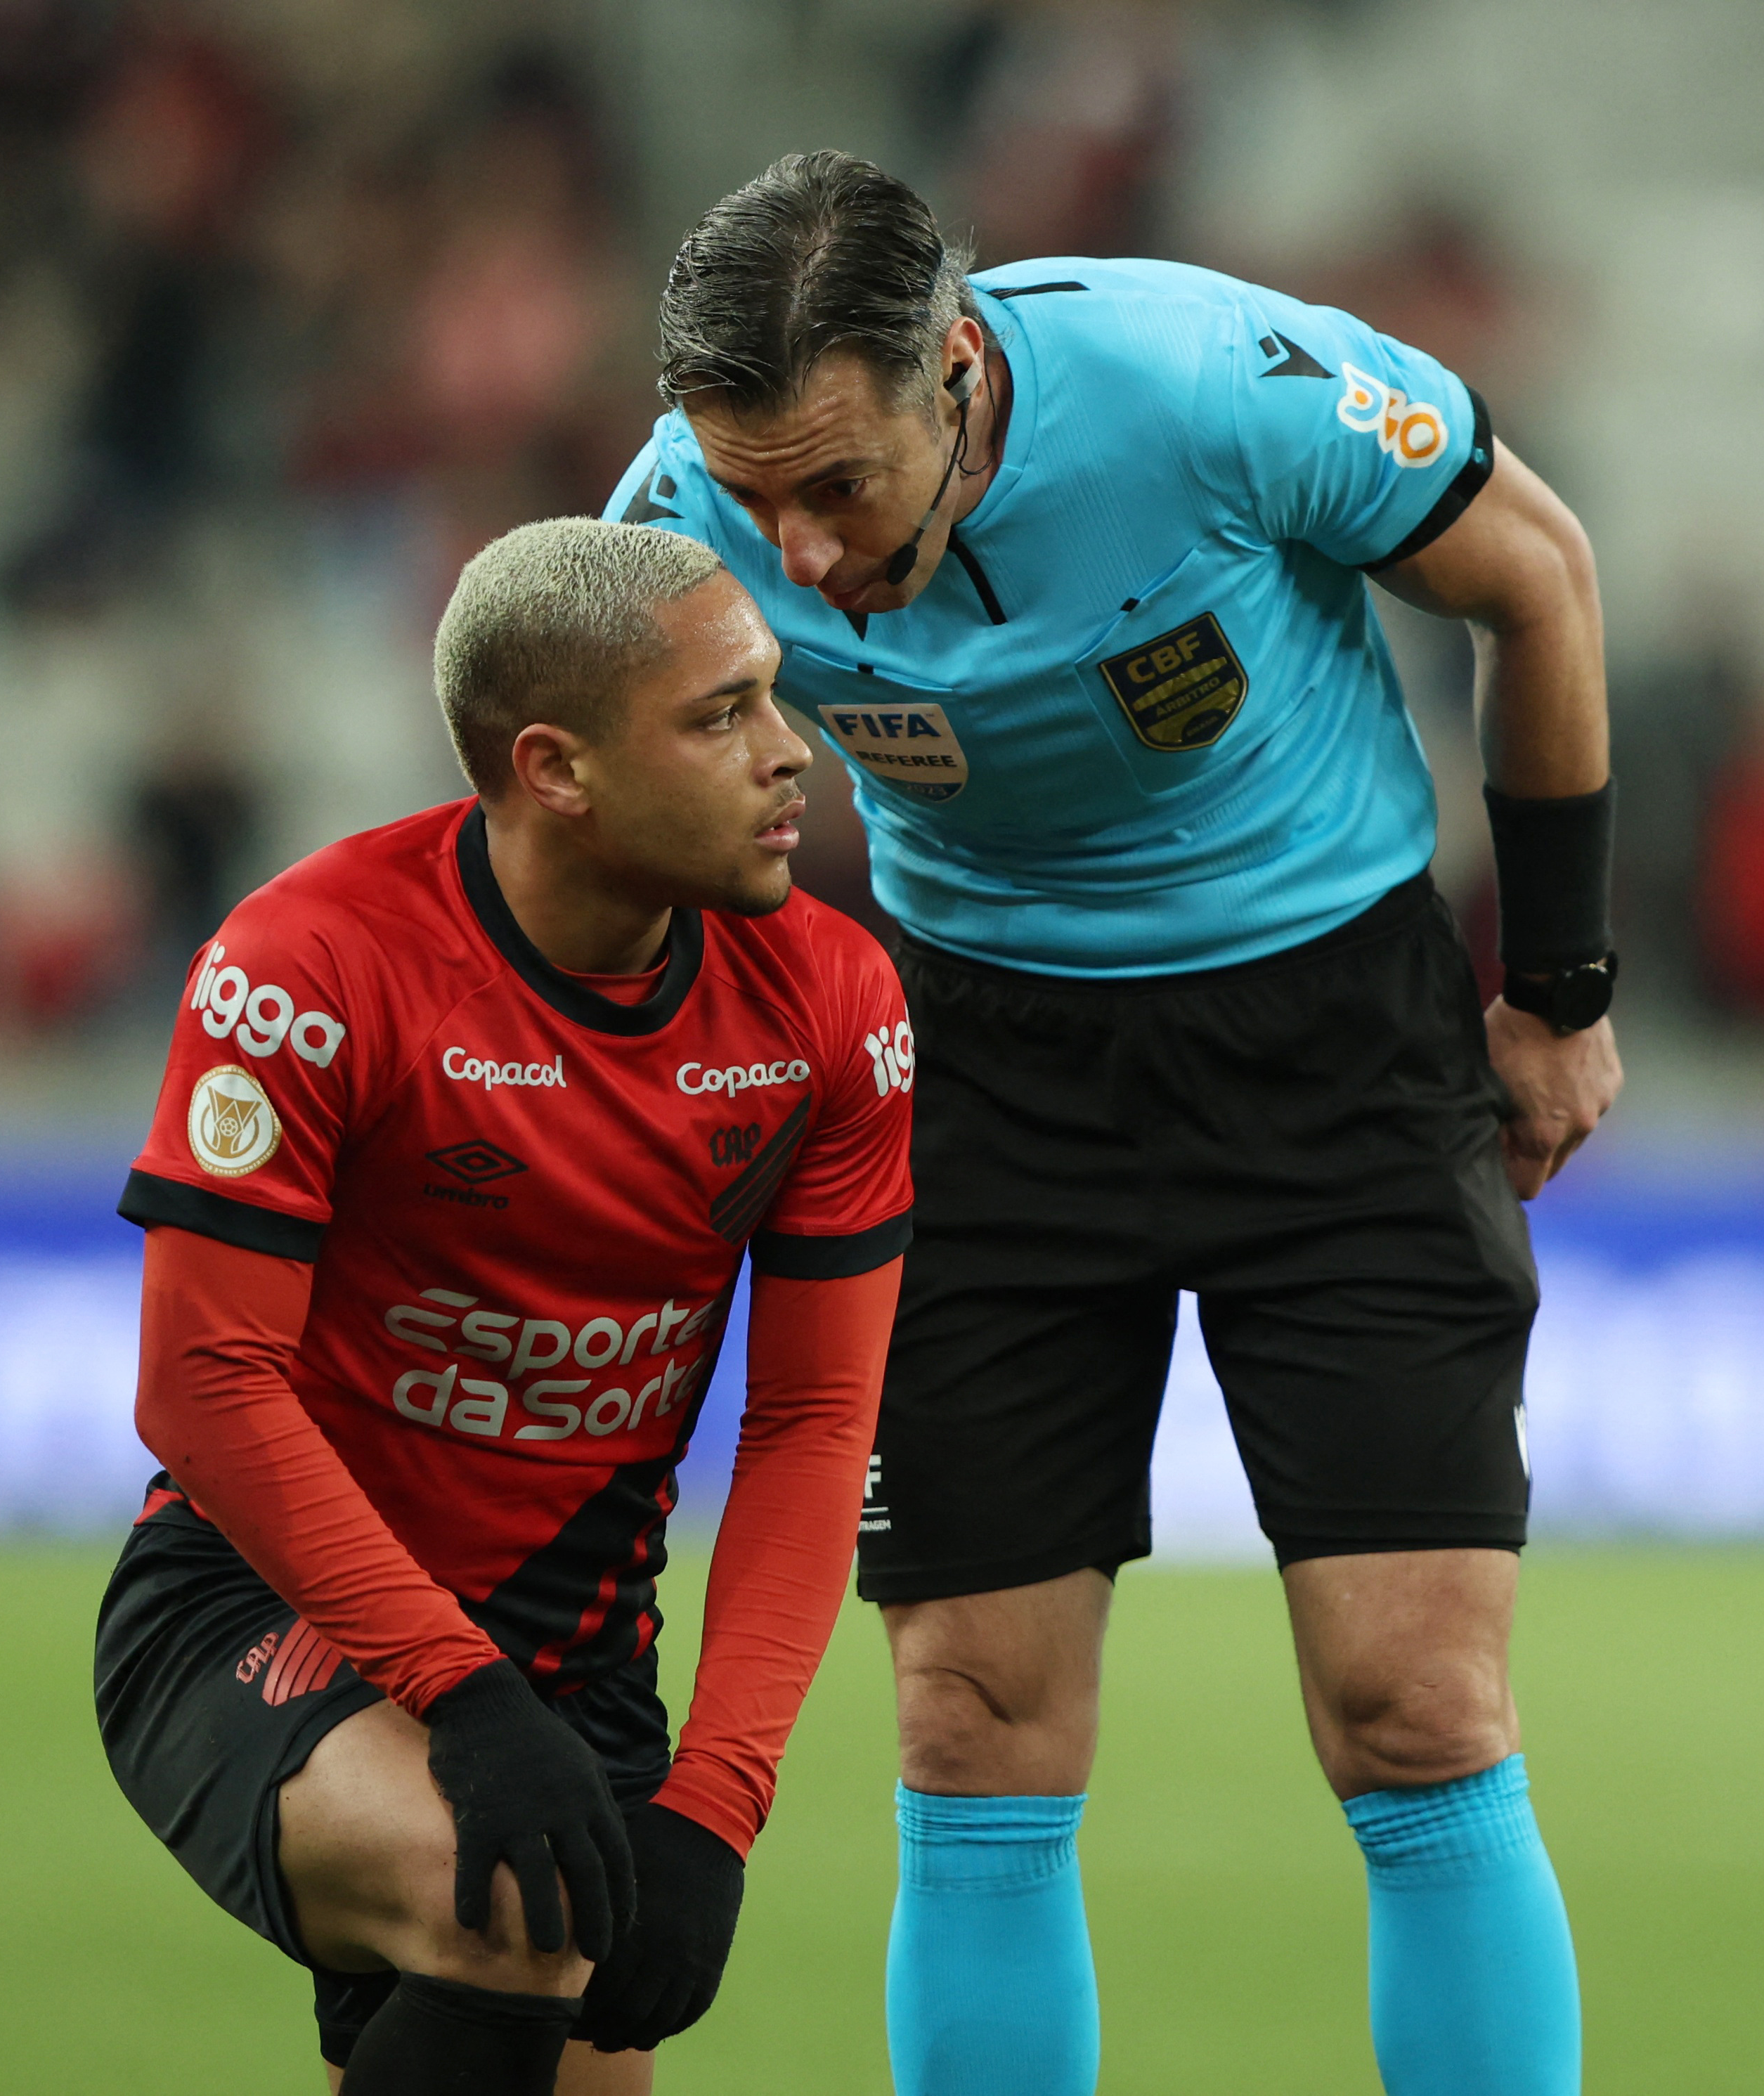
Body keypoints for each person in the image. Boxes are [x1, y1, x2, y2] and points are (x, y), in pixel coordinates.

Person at [609, 153, 1619, 2096]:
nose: (795, 554)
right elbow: (589, 806)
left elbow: (1539, 574)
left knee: (1413, 1703)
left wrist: (1557, 990)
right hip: (980, 1076)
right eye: (755, 494)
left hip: (1332, 1055)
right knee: (970, 1715)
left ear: (954, 364)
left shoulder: (1205, 382)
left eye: (836, 484)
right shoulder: (666, 531)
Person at [95, 518, 915, 2095]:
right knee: (512, 1918)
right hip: (270, 1611)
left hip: (582, 1651)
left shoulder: (832, 998)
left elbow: (816, 1422)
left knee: (544, 1992)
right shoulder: (309, 964)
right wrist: (456, 1687)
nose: (789, 752)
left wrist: (714, 1805)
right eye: (720, 714)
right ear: (556, 769)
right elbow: (204, 1384)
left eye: (774, 698)